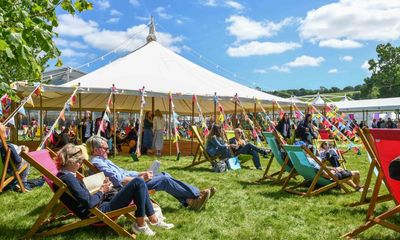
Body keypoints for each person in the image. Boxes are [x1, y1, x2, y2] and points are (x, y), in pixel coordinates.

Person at [55, 144, 174, 236]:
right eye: (79, 162)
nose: (80, 165)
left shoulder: (65, 176)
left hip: (100, 205)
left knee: (139, 183)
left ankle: (153, 220)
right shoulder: (68, 178)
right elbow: (89, 203)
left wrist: (103, 188)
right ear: (71, 161)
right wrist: (102, 190)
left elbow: (83, 196)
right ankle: (141, 224)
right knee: (138, 182)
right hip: (98, 212)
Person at [86, 136, 214, 211]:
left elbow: (123, 172)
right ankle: (196, 195)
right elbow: (118, 180)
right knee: (164, 179)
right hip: (125, 189)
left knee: (164, 174)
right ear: (96, 150)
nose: (108, 150)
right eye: (105, 148)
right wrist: (141, 179)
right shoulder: (98, 162)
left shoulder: (103, 160)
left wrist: (140, 173)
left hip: (130, 184)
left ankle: (190, 200)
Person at [0, 123, 31, 191]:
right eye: (5, 131)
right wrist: (24, 152)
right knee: (27, 160)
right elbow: (18, 160)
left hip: (1, 171)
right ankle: (23, 183)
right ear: (3, 135)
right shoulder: (8, 146)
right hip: (7, 171)